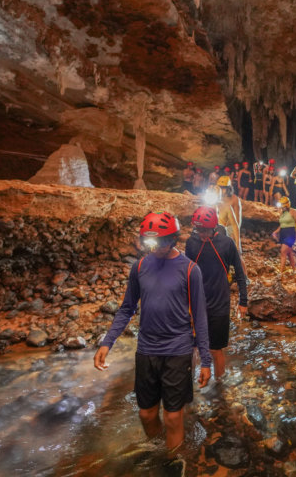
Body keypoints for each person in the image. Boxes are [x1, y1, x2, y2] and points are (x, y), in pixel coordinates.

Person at [94, 211, 211, 471]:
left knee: (172, 417)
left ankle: (173, 464)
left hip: (178, 349)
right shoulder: (140, 267)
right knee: (146, 414)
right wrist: (107, 342)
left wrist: (206, 359)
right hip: (147, 349)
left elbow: (200, 317)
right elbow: (127, 308)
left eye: (159, 242)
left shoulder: (190, 270)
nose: (154, 247)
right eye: (149, 242)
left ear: (173, 240)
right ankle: (161, 451)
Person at [185, 207, 248, 381]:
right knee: (193, 347)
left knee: (215, 348)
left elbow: (240, 273)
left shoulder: (227, 244)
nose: (202, 234)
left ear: (213, 228)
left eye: (205, 230)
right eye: (198, 230)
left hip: (220, 304)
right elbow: (187, 272)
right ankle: (188, 383)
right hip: (197, 304)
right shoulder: (191, 243)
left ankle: (220, 389)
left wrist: (243, 301)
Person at [272, 197, 296, 274]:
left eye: (283, 206)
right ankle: (295, 270)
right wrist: (275, 232)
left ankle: (280, 273)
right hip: (283, 233)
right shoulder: (282, 213)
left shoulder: (293, 212)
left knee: (283, 251)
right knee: (289, 253)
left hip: (290, 233)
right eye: (281, 205)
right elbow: (282, 225)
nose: (281, 207)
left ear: (287, 205)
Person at [216, 175, 242, 253]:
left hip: (230, 227)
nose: (222, 190)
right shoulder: (216, 198)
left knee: (236, 254)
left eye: (223, 188)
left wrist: (234, 233)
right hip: (219, 227)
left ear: (228, 188)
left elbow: (238, 218)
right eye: (220, 187)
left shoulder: (234, 199)